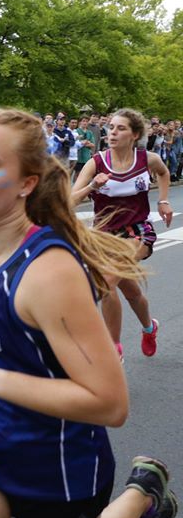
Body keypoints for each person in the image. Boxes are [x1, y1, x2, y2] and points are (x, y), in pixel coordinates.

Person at [0, 107, 177, 518]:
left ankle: (141, 494)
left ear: (26, 183)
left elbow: (111, 404)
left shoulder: (48, 272)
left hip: (54, 464)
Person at [71, 108, 172, 358]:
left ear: (134, 134)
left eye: (121, 128)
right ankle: (149, 328)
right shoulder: (97, 163)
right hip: (104, 236)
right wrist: (93, 185)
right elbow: (70, 200)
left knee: (107, 280)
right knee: (132, 292)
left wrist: (163, 200)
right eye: (111, 127)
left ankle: (113, 349)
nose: (113, 132)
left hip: (137, 232)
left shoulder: (146, 159)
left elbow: (163, 173)